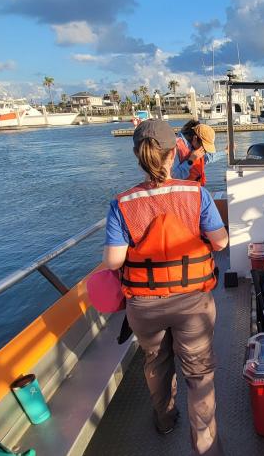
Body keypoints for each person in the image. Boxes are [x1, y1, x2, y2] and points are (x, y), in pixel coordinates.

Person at [103, 119, 228, 455]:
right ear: (174, 153)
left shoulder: (122, 203)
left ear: (138, 156)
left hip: (144, 305)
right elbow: (220, 242)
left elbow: (114, 261)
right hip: (192, 302)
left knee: (156, 362)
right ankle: (206, 446)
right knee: (199, 374)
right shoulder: (196, 193)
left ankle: (164, 418)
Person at [173, 119, 217, 186]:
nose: (205, 150)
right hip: (182, 193)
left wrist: (225, 152)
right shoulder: (175, 148)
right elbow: (172, 176)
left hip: (195, 190)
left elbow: (207, 158)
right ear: (195, 138)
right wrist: (190, 161)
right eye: (204, 147)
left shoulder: (194, 146)